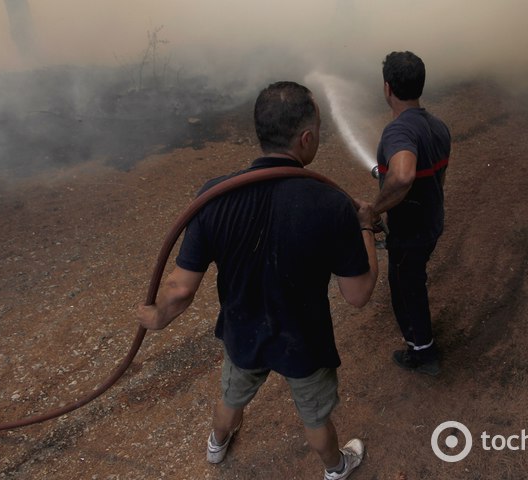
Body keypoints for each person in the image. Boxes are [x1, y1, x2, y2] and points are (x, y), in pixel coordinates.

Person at [137, 81, 378, 480]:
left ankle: (216, 446)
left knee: (231, 400)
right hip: (304, 341)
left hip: (242, 333)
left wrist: (158, 316)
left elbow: (180, 289)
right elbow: (358, 294)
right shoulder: (331, 205)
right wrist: (366, 227)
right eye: (318, 129)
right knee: (316, 420)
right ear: (305, 139)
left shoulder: (213, 196)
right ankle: (336, 468)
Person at [370, 51, 451, 376]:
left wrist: (374, 210)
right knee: (413, 278)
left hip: (410, 230)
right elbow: (429, 176)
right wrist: (384, 175)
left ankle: (423, 352)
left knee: (406, 285)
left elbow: (403, 176)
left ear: (387, 88)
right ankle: (422, 343)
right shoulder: (438, 126)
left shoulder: (399, 131)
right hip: (432, 220)